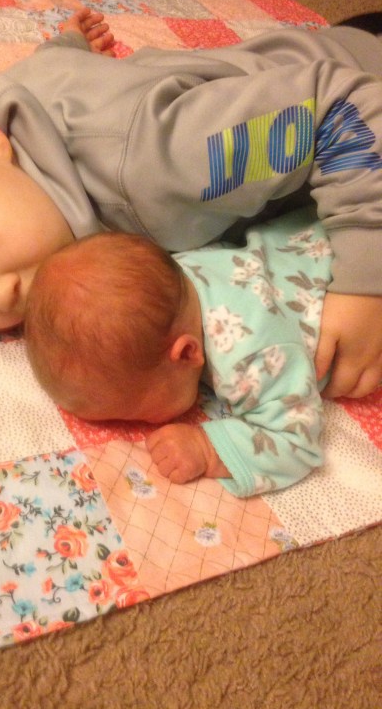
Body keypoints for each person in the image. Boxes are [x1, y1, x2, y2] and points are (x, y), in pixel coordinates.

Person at [0, 8, 381, 399]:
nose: (1, 299)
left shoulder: (159, 167)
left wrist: (366, 281)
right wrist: (69, 47)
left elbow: (341, 114)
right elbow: (40, 73)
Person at [25, 209, 332, 497]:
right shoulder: (173, 277)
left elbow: (298, 442)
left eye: (135, 412)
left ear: (186, 354)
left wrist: (208, 449)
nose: (137, 426)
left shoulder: (251, 358)